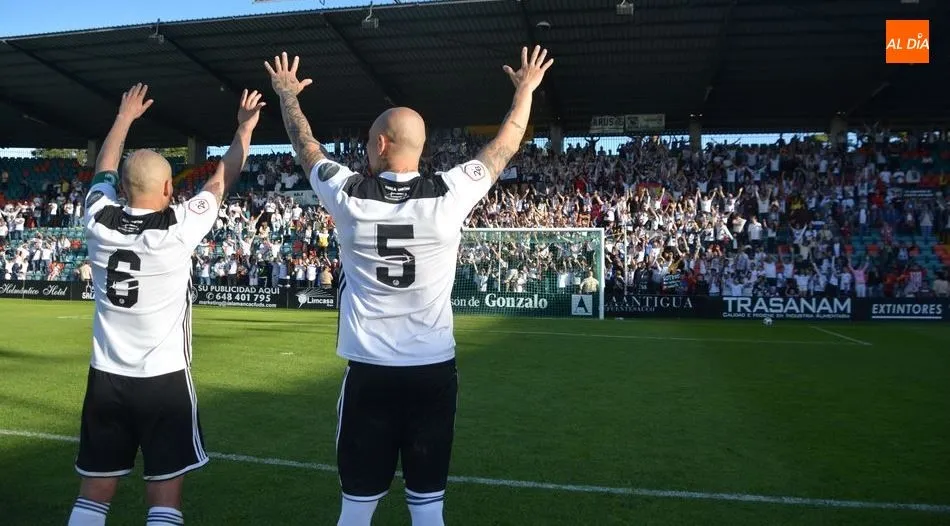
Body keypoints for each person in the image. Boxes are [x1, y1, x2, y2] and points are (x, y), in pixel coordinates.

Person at [265, 46, 553, 526]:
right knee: (428, 511)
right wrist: (525, 90)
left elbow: (305, 144)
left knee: (356, 512)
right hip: (432, 374)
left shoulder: (348, 192)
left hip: (371, 373)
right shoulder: (449, 192)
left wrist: (287, 95)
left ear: (380, 144)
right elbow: (505, 144)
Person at [66, 84, 265, 526]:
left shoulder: (97, 218)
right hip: (163, 382)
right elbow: (222, 177)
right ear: (169, 187)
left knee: (94, 494)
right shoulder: (178, 225)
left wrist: (123, 119)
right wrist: (245, 129)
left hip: (106, 379)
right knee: (163, 499)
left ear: (120, 187)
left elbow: (102, 169)